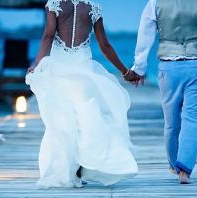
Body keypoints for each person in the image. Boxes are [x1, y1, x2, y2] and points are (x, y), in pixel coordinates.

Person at [26, 0, 139, 188]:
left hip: (60, 68)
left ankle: (66, 171)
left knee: (62, 120)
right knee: (85, 119)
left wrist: (37, 64)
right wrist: (125, 71)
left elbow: (47, 36)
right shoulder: (93, 6)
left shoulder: (55, 4)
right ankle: (82, 167)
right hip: (83, 68)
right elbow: (105, 46)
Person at [126, 0, 197, 184]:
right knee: (195, 117)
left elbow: (145, 35)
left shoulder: (155, 2)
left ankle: (175, 164)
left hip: (169, 68)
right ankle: (185, 170)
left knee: (171, 121)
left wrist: (140, 68)